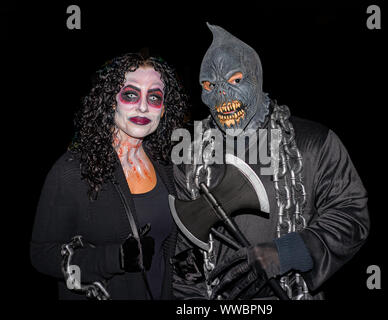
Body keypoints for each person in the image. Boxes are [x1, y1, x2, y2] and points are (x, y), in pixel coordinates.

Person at [171, 24, 370, 300]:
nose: (221, 96)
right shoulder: (190, 158)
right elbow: (185, 258)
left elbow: (351, 215)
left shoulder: (313, 142)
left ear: (256, 76)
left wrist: (286, 252)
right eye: (209, 85)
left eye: (235, 80)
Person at [30, 52, 189, 299]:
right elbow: (42, 255)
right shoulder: (74, 169)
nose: (143, 106)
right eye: (130, 94)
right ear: (110, 100)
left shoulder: (165, 165)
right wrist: (111, 259)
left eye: (155, 97)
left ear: (164, 108)